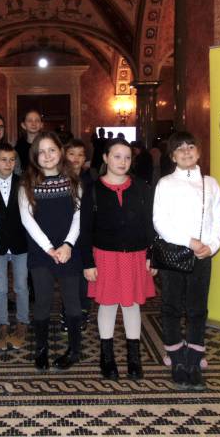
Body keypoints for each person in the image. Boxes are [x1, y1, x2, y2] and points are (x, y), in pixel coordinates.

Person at [152, 131, 220, 390]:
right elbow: (160, 222)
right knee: (171, 306)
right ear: (172, 156)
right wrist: (189, 241)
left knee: (197, 308)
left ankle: (194, 359)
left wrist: (211, 246)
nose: (186, 151)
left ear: (198, 152)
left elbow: (219, 220)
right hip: (175, 253)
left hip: (202, 255)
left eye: (190, 147)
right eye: (180, 148)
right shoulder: (165, 184)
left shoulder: (211, 183)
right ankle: (176, 357)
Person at [81, 138, 156, 381]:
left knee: (132, 304)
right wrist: (88, 262)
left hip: (135, 256)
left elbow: (149, 224)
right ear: (105, 158)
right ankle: (107, 357)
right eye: (117, 156)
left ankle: (134, 358)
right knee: (108, 304)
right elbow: (85, 230)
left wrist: (151, 255)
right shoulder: (93, 189)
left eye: (127, 157)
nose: (122, 162)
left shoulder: (142, 188)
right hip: (105, 256)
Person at [19, 131, 83, 372]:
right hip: (41, 251)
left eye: (52, 150)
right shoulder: (27, 184)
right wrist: (49, 248)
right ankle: (41, 349)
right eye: (41, 152)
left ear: (61, 152)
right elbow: (27, 220)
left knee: (72, 302)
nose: (47, 156)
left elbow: (78, 217)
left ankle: (74, 350)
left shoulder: (74, 181)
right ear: (34, 155)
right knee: (43, 301)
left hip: (69, 249)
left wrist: (67, 245)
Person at [0, 143, 29, 351]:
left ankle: (23, 321)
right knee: (0, 287)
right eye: (3, 159)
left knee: (21, 285)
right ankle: (2, 323)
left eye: (12, 160)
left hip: (20, 242)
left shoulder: (24, 183)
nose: (8, 163)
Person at [62, 139, 96, 332]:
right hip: (65, 235)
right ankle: (67, 311)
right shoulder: (59, 178)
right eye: (71, 154)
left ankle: (83, 310)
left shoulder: (90, 179)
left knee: (84, 278)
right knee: (68, 277)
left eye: (80, 155)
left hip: (85, 235)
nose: (76, 158)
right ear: (64, 155)